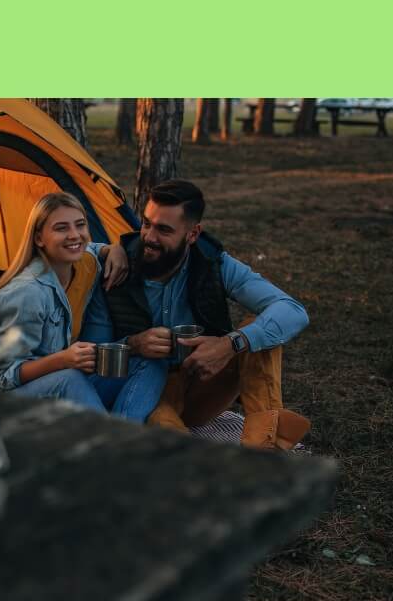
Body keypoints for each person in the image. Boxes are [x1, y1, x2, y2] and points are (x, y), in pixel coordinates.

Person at [80, 180, 311, 449]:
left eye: (164, 230)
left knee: (259, 336)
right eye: (146, 223)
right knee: (163, 424)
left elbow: (293, 311)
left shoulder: (214, 264)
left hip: (204, 382)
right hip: (150, 391)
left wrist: (229, 344)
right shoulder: (117, 271)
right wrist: (133, 345)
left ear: (192, 234)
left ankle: (264, 448)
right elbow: (93, 355)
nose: (150, 238)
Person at [0, 191, 146, 415]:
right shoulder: (27, 294)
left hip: (57, 382)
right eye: (61, 228)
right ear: (39, 238)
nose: (75, 235)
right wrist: (63, 360)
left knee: (146, 361)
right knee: (70, 379)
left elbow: (91, 248)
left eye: (80, 225)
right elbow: (2, 375)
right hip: (4, 401)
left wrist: (114, 249)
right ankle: (112, 445)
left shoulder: (84, 265)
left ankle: (128, 432)